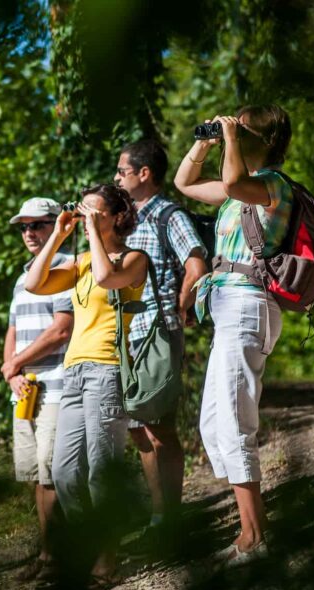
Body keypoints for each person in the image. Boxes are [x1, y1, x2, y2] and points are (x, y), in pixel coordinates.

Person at [173, 104, 294, 565]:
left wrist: (229, 141)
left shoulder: (271, 186)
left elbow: (229, 182)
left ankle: (254, 537)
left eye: (241, 129)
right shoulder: (236, 194)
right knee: (212, 425)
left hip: (249, 306)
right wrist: (205, 140)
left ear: (262, 141)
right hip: (229, 310)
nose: (233, 133)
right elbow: (185, 182)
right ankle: (249, 527)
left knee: (233, 423)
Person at [24, 184, 146, 589]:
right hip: (74, 372)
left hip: (108, 370)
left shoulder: (133, 258)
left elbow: (109, 278)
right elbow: (34, 283)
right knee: (63, 472)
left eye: (95, 212)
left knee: (99, 470)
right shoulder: (78, 262)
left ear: (115, 216)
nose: (87, 218)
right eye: (85, 213)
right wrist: (58, 234)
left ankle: (107, 558)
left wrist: (92, 230)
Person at [114, 139, 208, 534]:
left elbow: (197, 263)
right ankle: (158, 514)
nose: (116, 178)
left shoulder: (169, 215)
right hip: (126, 333)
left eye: (121, 171)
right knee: (137, 426)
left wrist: (181, 306)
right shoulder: (128, 218)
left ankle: (171, 516)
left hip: (158, 330)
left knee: (159, 425)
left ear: (144, 173)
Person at [2, 197, 74, 581]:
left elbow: (61, 329)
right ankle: (48, 554)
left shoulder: (67, 267)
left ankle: (59, 556)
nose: (29, 233)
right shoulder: (23, 275)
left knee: (52, 473)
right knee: (35, 473)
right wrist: (10, 368)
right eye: (24, 227)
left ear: (58, 226)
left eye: (38, 225)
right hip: (26, 389)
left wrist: (16, 362)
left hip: (58, 385)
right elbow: (13, 327)